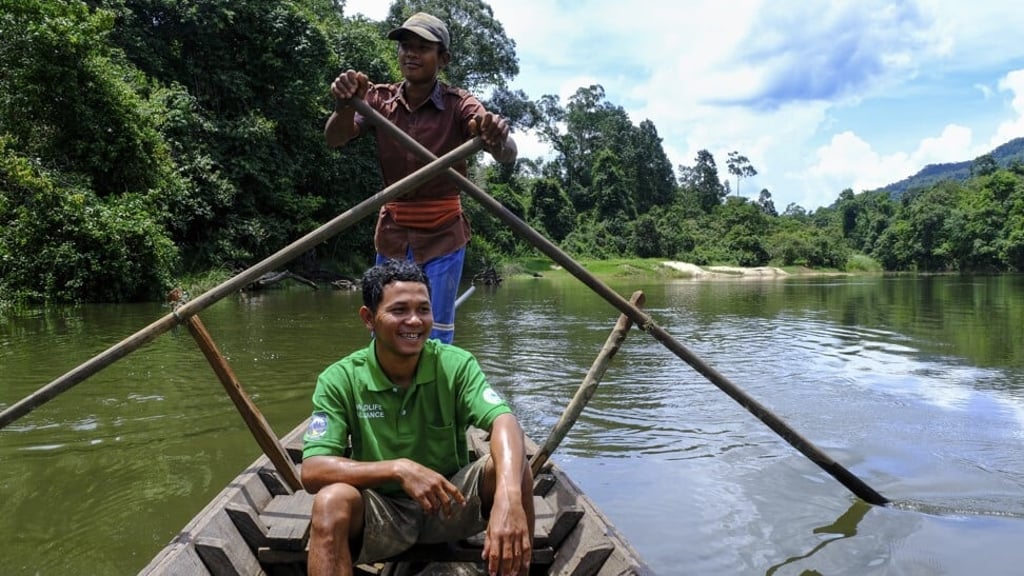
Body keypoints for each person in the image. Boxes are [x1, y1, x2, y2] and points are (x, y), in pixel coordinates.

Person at [301, 258, 534, 576]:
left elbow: (504, 421)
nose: (414, 321)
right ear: (369, 318)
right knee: (330, 502)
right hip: (382, 510)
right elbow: (313, 471)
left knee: (516, 470)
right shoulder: (339, 378)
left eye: (423, 309)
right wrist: (398, 470)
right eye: (399, 310)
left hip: (449, 503)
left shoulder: (455, 365)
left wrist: (509, 498)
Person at [325, 11, 518, 345]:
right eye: (405, 46)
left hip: (443, 235)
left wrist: (495, 136)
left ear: (442, 59)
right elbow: (335, 138)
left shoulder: (460, 105)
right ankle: (385, 393)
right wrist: (344, 105)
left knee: (435, 335)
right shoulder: (378, 99)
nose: (411, 53)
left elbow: (505, 150)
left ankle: (431, 393)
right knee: (385, 329)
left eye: (422, 48)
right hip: (394, 234)